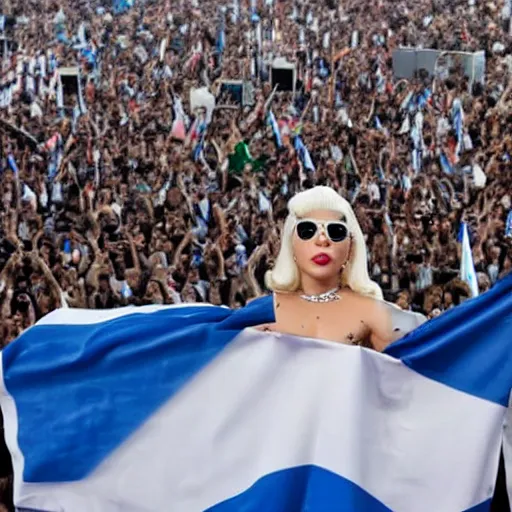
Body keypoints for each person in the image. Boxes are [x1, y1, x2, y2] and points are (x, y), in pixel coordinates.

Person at [257, 186, 425, 349]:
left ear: (351, 246)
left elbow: (428, 343)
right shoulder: (262, 312)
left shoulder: (370, 311)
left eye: (336, 231)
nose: (322, 240)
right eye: (307, 230)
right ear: (290, 242)